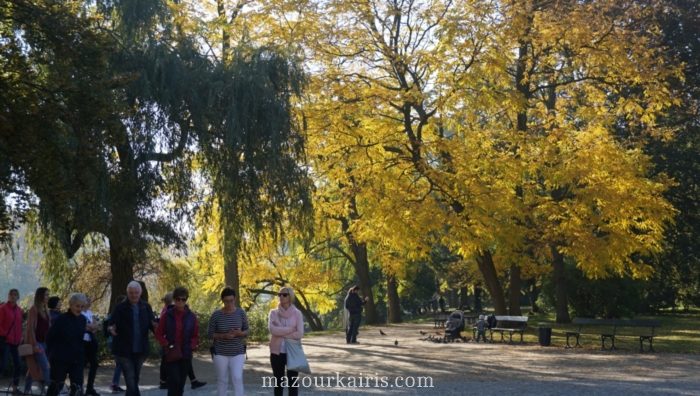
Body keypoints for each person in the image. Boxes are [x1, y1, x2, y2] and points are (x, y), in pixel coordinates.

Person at [108, 281, 156, 396]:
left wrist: (157, 330)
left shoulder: (146, 306)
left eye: (136, 293)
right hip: (124, 349)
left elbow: (152, 323)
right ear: (127, 293)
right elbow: (110, 323)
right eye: (131, 293)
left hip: (140, 348)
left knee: (135, 377)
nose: (133, 295)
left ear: (140, 293)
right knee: (130, 378)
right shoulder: (120, 308)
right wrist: (110, 328)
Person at [157, 293, 207, 391]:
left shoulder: (191, 316)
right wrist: (166, 344)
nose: (180, 301)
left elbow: (195, 335)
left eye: (183, 299)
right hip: (171, 353)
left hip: (186, 353)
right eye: (178, 299)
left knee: (180, 385)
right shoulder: (167, 315)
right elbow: (159, 333)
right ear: (174, 300)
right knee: (174, 381)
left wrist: (192, 345)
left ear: (186, 300)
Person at [208, 286, 248, 396]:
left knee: (237, 377)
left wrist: (240, 333)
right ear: (222, 301)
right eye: (226, 301)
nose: (229, 304)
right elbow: (209, 334)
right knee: (222, 379)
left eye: (231, 301)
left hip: (238, 351)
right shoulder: (216, 315)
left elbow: (247, 330)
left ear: (234, 299)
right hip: (220, 352)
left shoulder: (241, 313)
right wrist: (223, 335)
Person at [46, 293, 88, 396]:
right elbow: (50, 337)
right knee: (56, 386)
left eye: (82, 306)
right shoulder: (61, 319)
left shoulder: (82, 319)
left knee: (77, 387)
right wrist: (51, 354)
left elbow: (81, 338)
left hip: (77, 358)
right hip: (60, 358)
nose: (79, 309)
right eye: (77, 306)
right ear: (71, 305)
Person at [268, 286, 304, 396]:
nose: (281, 297)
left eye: (284, 294)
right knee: (278, 383)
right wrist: (290, 330)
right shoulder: (273, 313)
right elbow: (273, 330)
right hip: (276, 352)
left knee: (293, 383)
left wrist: (281, 331)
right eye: (279, 295)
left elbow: (300, 333)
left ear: (290, 296)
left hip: (292, 351)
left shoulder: (297, 313)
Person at [23, 287, 52, 395]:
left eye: (48, 295)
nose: (47, 297)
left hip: (45, 343)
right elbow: (30, 328)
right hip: (37, 343)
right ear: (40, 296)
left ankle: (26, 390)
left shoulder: (46, 309)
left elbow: (48, 327)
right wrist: (34, 344)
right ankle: (51, 390)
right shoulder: (34, 309)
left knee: (33, 368)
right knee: (45, 366)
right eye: (46, 295)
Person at [0, 289, 23, 394]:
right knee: (2, 365)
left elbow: (19, 325)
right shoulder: (3, 308)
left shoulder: (19, 310)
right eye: (11, 295)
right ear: (8, 296)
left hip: (15, 342)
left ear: (18, 297)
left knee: (18, 364)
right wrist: (5, 334)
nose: (13, 297)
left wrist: (20, 337)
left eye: (15, 295)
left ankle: (15, 388)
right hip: (5, 341)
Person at [106, 295, 127, 393]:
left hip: (116, 341)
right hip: (115, 341)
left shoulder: (117, 313)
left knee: (120, 364)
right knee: (120, 364)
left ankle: (115, 384)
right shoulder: (116, 314)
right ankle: (114, 384)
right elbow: (109, 327)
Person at [81, 297, 101, 396]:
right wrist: (91, 326)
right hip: (82, 342)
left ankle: (90, 387)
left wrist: (92, 326)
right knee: (81, 365)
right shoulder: (80, 313)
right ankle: (79, 387)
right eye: (87, 301)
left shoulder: (89, 312)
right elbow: (86, 326)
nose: (89, 302)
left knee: (94, 364)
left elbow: (96, 326)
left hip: (91, 342)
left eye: (90, 301)